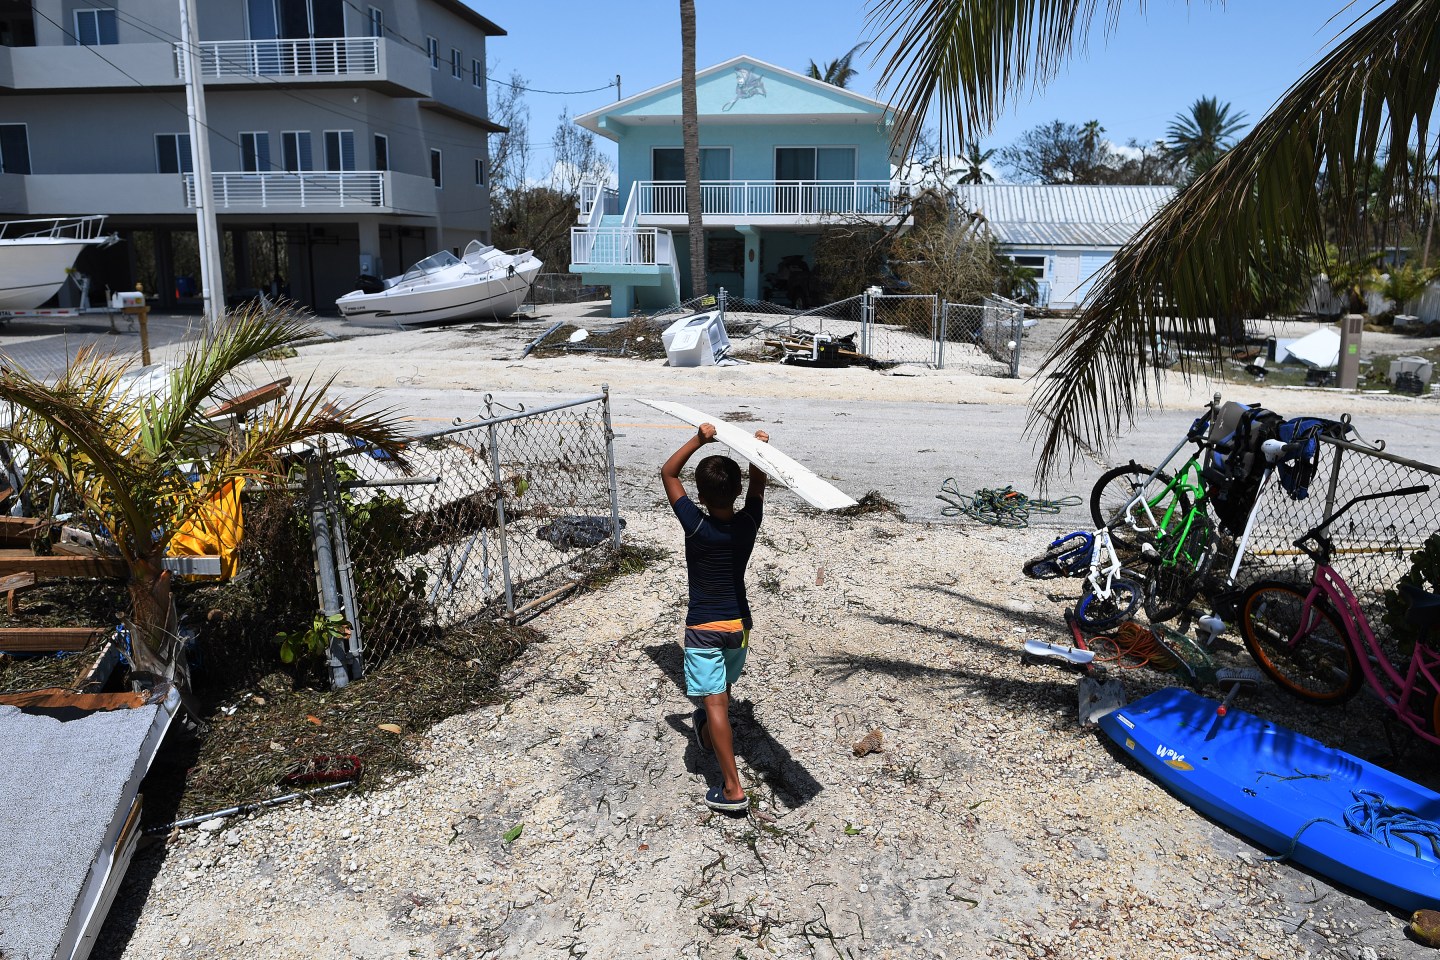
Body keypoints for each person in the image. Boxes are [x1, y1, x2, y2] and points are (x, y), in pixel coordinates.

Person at [660, 422, 768, 813]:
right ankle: (707, 730)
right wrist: (757, 452)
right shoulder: (748, 524)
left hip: (704, 628)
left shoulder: (696, 524)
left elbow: (668, 473)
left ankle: (732, 788)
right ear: (736, 492)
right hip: (740, 627)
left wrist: (699, 440)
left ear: (701, 496)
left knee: (717, 704)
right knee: (716, 698)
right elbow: (758, 486)